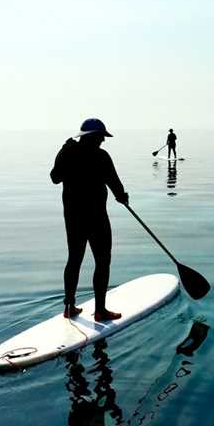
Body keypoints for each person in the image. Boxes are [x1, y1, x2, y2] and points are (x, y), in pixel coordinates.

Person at [51, 118, 129, 321]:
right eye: (101, 137)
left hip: (73, 217)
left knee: (74, 259)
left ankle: (69, 306)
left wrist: (63, 152)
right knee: (102, 261)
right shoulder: (101, 157)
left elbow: (55, 177)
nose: (103, 141)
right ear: (93, 137)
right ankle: (100, 310)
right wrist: (122, 197)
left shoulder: (68, 152)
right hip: (96, 218)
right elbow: (115, 183)